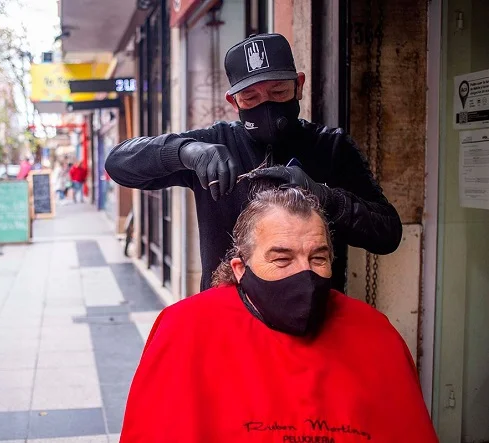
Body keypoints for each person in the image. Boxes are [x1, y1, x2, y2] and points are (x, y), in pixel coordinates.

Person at [120, 188, 437, 443]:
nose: (305, 273)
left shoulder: (374, 333)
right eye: (282, 259)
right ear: (240, 268)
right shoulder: (186, 330)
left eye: (318, 257)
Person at [105, 33, 402, 292]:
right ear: (233, 102)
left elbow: (388, 234)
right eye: (250, 98)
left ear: (299, 86)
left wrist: (325, 196)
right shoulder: (216, 142)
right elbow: (119, 164)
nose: (267, 106)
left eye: (278, 92)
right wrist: (185, 152)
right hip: (227, 320)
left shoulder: (331, 146)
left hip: (311, 316)